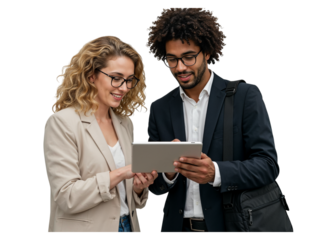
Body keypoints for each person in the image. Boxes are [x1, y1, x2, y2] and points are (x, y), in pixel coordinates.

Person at [144, 7, 281, 233]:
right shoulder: (159, 109)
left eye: (188, 57)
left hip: (231, 226)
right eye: (172, 59)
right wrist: (167, 174)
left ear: (206, 52)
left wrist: (216, 173)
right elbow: (158, 187)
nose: (180, 67)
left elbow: (267, 166)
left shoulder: (245, 97)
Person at [42, 35, 158, 233]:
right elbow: (66, 196)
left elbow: (127, 197)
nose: (124, 88)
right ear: (91, 75)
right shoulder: (62, 123)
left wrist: (139, 186)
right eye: (116, 78)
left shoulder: (125, 123)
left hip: (128, 227)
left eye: (130, 80)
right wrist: (122, 173)